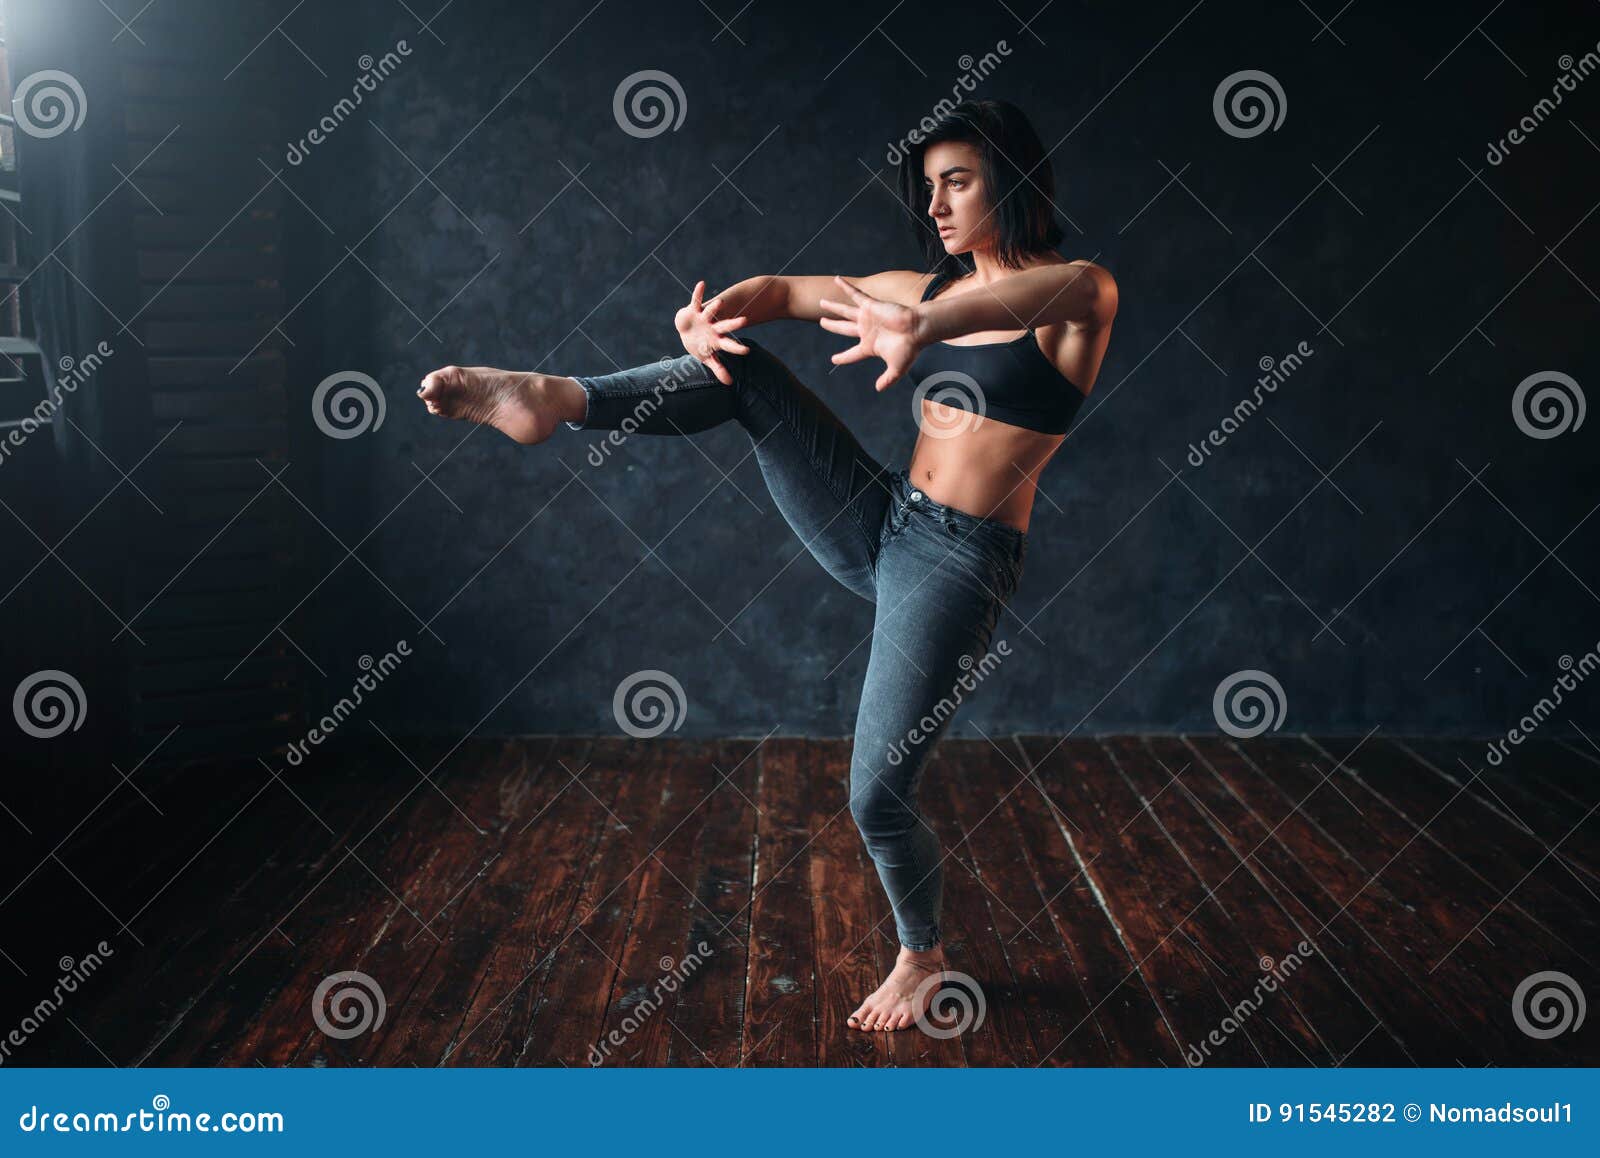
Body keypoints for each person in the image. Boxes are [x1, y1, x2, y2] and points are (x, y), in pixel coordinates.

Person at [418, 99, 1118, 1034]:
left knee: (876, 790)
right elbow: (789, 293)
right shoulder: (911, 288)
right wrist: (719, 311)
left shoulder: (1080, 294)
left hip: (958, 562)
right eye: (930, 187)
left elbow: (1023, 296)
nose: (938, 204)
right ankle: (555, 398)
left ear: (1014, 181)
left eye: (960, 180)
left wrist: (924, 324)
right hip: (881, 518)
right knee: (740, 372)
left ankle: (922, 958)